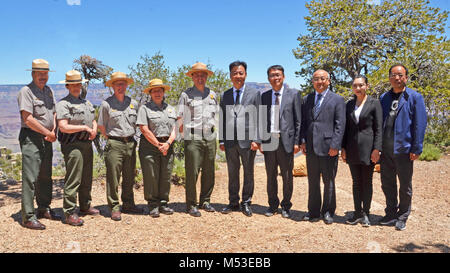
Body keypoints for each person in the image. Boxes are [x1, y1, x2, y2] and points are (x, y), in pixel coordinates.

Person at [379, 64, 427, 231]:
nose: (397, 78)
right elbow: (380, 124)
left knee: (405, 185)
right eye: (393, 75)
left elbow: (420, 124)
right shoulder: (384, 97)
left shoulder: (414, 97)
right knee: (387, 183)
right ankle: (390, 213)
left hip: (404, 150)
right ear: (389, 78)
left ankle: (403, 215)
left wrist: (417, 147)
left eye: (400, 75)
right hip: (386, 150)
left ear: (406, 77)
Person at [17, 59, 61, 230]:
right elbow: (27, 118)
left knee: (45, 175)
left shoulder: (48, 91)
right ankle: (28, 216)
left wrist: (54, 130)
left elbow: (54, 112)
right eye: (39, 73)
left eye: (45, 73)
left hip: (47, 138)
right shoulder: (26, 91)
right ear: (33, 74)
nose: (43, 76)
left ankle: (44, 208)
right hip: (32, 138)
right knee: (30, 177)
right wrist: (47, 132)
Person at [300, 69, 346, 224]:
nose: (319, 82)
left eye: (322, 79)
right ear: (312, 81)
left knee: (329, 181)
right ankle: (313, 212)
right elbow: (304, 123)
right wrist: (303, 141)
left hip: (329, 148)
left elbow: (340, 125)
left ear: (329, 81)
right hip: (311, 147)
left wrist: (336, 145)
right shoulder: (307, 99)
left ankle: (327, 211)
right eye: (316, 79)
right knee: (312, 181)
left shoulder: (337, 99)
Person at [98, 72, 144, 221]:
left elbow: (139, 123)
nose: (120, 87)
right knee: (113, 177)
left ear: (126, 85)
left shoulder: (133, 103)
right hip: (115, 143)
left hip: (130, 143)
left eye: (123, 84)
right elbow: (101, 126)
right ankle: (114, 207)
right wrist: (112, 138)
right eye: (117, 84)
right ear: (112, 86)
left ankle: (129, 204)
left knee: (129, 175)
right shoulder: (106, 104)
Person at [56, 70, 100, 226]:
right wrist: (84, 128)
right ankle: (69, 212)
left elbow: (93, 120)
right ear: (68, 86)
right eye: (73, 84)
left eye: (78, 84)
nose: (76, 87)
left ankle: (85, 205)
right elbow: (63, 127)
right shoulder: (63, 104)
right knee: (74, 178)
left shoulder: (86, 103)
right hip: (72, 144)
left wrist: (94, 128)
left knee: (87, 176)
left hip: (87, 144)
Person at [259, 65, 302, 219]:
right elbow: (261, 120)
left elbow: (298, 121)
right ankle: (272, 205)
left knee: (286, 175)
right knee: (270, 175)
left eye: (278, 75)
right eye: (272, 75)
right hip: (269, 140)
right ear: (268, 78)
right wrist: (260, 141)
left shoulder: (294, 95)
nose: (275, 78)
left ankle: (286, 206)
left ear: (283, 77)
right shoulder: (264, 96)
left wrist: (297, 141)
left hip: (287, 141)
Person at [177, 62, 218, 217]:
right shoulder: (186, 95)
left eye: (203, 75)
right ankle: (191, 204)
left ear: (206, 76)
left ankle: (205, 201)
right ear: (192, 76)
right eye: (197, 75)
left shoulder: (212, 94)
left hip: (210, 135)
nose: (200, 77)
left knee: (209, 170)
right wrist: (184, 136)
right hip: (193, 135)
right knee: (192, 171)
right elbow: (180, 118)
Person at [341, 75, 383, 227]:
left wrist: (377, 149)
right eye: (355, 86)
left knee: (367, 181)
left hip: (369, 149)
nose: (358, 88)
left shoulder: (374, 103)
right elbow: (346, 128)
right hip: (352, 148)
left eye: (361, 85)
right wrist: (343, 148)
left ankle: (366, 213)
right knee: (356, 182)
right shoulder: (349, 104)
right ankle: (357, 212)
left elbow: (379, 129)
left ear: (367, 86)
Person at [219, 61, 259, 217]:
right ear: (230, 76)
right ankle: (233, 202)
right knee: (232, 172)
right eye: (235, 73)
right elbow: (222, 118)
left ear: (245, 75)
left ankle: (246, 202)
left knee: (249, 172)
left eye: (240, 73)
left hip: (248, 141)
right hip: (229, 141)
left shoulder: (254, 93)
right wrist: (221, 140)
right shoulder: (225, 95)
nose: (238, 76)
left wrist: (257, 139)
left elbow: (259, 117)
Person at [137, 79, 177, 218]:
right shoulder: (145, 108)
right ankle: (153, 205)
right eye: (154, 91)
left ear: (164, 92)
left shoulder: (171, 109)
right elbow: (144, 128)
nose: (157, 93)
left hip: (168, 145)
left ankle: (163, 203)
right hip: (150, 146)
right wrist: (158, 145)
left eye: (160, 90)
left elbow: (175, 128)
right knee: (151, 175)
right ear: (150, 93)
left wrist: (168, 143)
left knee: (166, 175)